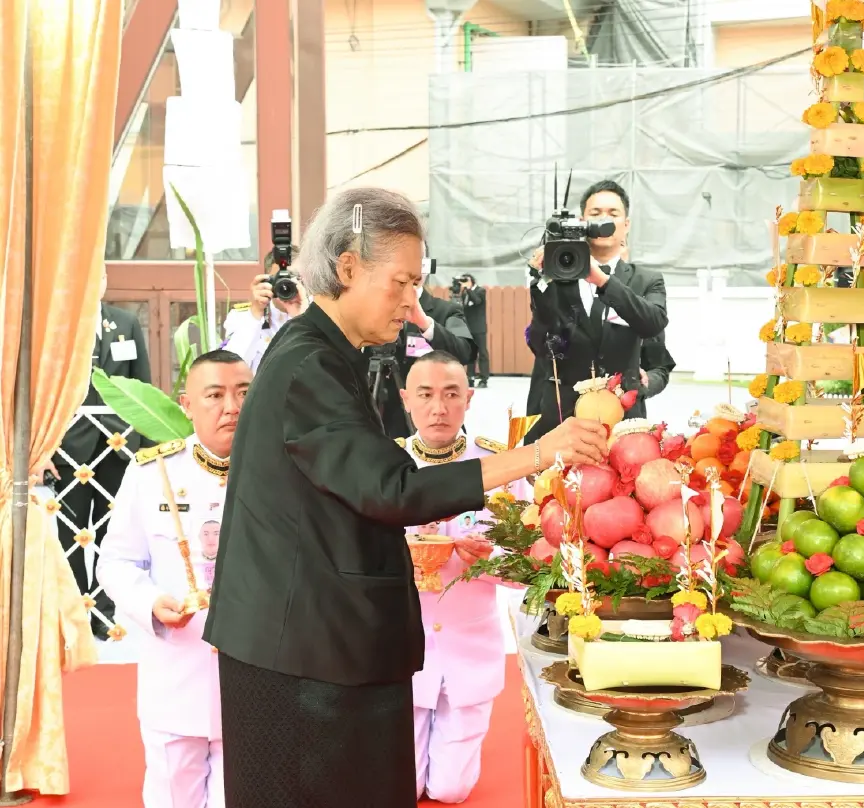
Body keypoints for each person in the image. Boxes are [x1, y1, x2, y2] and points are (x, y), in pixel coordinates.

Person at [202, 186, 608, 808]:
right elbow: (391, 488)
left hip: (313, 638)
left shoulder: (321, 352)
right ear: (347, 268)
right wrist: (538, 453)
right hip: (307, 654)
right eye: (400, 282)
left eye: (417, 283)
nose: (410, 301)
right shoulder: (310, 364)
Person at [97, 349, 252, 808]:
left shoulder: (281, 472)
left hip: (253, 681)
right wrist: (151, 602)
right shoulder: (152, 473)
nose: (231, 407)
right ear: (186, 404)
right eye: (215, 395)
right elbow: (116, 562)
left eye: (244, 393)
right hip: (177, 675)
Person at [396, 351, 526, 803]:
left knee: (450, 790)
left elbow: (530, 566)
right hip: (400, 655)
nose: (439, 408)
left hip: (468, 654)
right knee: (404, 786)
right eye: (425, 395)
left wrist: (490, 560)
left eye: (451, 394)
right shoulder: (384, 467)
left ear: (468, 399)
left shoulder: (500, 469)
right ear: (405, 399)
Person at [51, 265, 153, 639]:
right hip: (69, 446)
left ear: (106, 282)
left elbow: (142, 382)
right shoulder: (58, 326)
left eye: (100, 276)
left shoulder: (125, 322)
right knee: (71, 531)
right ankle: (76, 610)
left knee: (113, 530)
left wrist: (147, 444)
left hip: (119, 444)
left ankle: (104, 611)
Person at [523, 179, 668, 444]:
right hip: (559, 421)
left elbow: (654, 328)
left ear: (626, 224)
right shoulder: (555, 277)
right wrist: (539, 285)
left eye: (613, 213)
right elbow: (541, 346)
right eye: (595, 213)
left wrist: (601, 280)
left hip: (622, 424)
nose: (603, 220)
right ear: (581, 222)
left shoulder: (647, 280)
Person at [376, 261, 476, 440]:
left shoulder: (447, 310)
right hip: (379, 416)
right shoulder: (373, 309)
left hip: (434, 423)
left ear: (425, 266)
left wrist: (425, 324)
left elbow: (465, 351)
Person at [222, 249, 306, 372]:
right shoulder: (243, 317)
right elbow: (232, 369)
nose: (286, 285)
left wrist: (303, 319)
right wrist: (255, 314)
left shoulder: (319, 314)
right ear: (267, 281)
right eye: (281, 278)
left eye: (294, 278)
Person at [455, 274, 489, 388]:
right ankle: (470, 377)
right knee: (470, 353)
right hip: (468, 327)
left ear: (472, 281)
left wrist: (469, 289)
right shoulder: (465, 293)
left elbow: (477, 301)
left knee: (482, 353)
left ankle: (484, 378)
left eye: (466, 280)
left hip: (479, 328)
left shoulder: (480, 291)